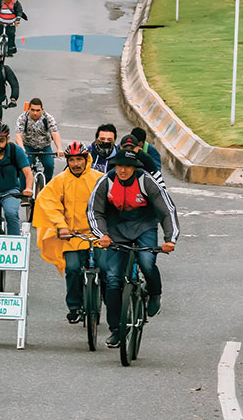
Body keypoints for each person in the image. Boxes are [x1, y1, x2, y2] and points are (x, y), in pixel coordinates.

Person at [88, 148, 179, 348]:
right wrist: (101, 234)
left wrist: (170, 239)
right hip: (116, 230)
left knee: (147, 263)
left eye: (127, 166)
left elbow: (166, 210)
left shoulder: (146, 181)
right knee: (112, 279)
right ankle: (116, 330)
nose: (123, 170)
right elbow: (95, 210)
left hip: (144, 227)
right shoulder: (106, 182)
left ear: (135, 167)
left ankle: (155, 294)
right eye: (119, 166)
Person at [32, 141, 105, 323]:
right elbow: (48, 202)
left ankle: (107, 300)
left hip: (98, 236)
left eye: (79, 159)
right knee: (72, 269)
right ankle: (74, 307)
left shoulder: (99, 179)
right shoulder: (60, 180)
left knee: (107, 269)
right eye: (72, 160)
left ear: (86, 159)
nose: (76, 164)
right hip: (72, 236)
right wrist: (60, 225)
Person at [15, 98, 63, 182]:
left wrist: (59, 148)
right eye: (32, 110)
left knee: (49, 166)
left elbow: (54, 133)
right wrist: (22, 148)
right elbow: (18, 135)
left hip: (44, 146)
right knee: (24, 167)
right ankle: (22, 192)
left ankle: (46, 187)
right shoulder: (23, 118)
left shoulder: (48, 118)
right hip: (28, 146)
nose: (35, 113)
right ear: (28, 109)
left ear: (42, 110)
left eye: (38, 110)